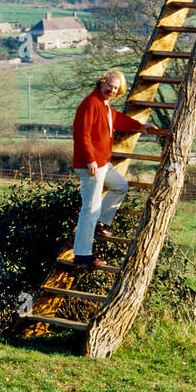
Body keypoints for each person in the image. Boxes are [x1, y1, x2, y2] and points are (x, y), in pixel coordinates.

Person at [71, 69, 159, 268]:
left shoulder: (105, 105)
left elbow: (119, 120)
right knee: (90, 209)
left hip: (103, 164)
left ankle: (100, 223)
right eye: (109, 85)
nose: (111, 90)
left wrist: (140, 126)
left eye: (115, 88)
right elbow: (81, 134)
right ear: (101, 82)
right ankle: (82, 254)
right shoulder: (90, 103)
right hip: (91, 165)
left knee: (120, 186)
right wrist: (90, 160)